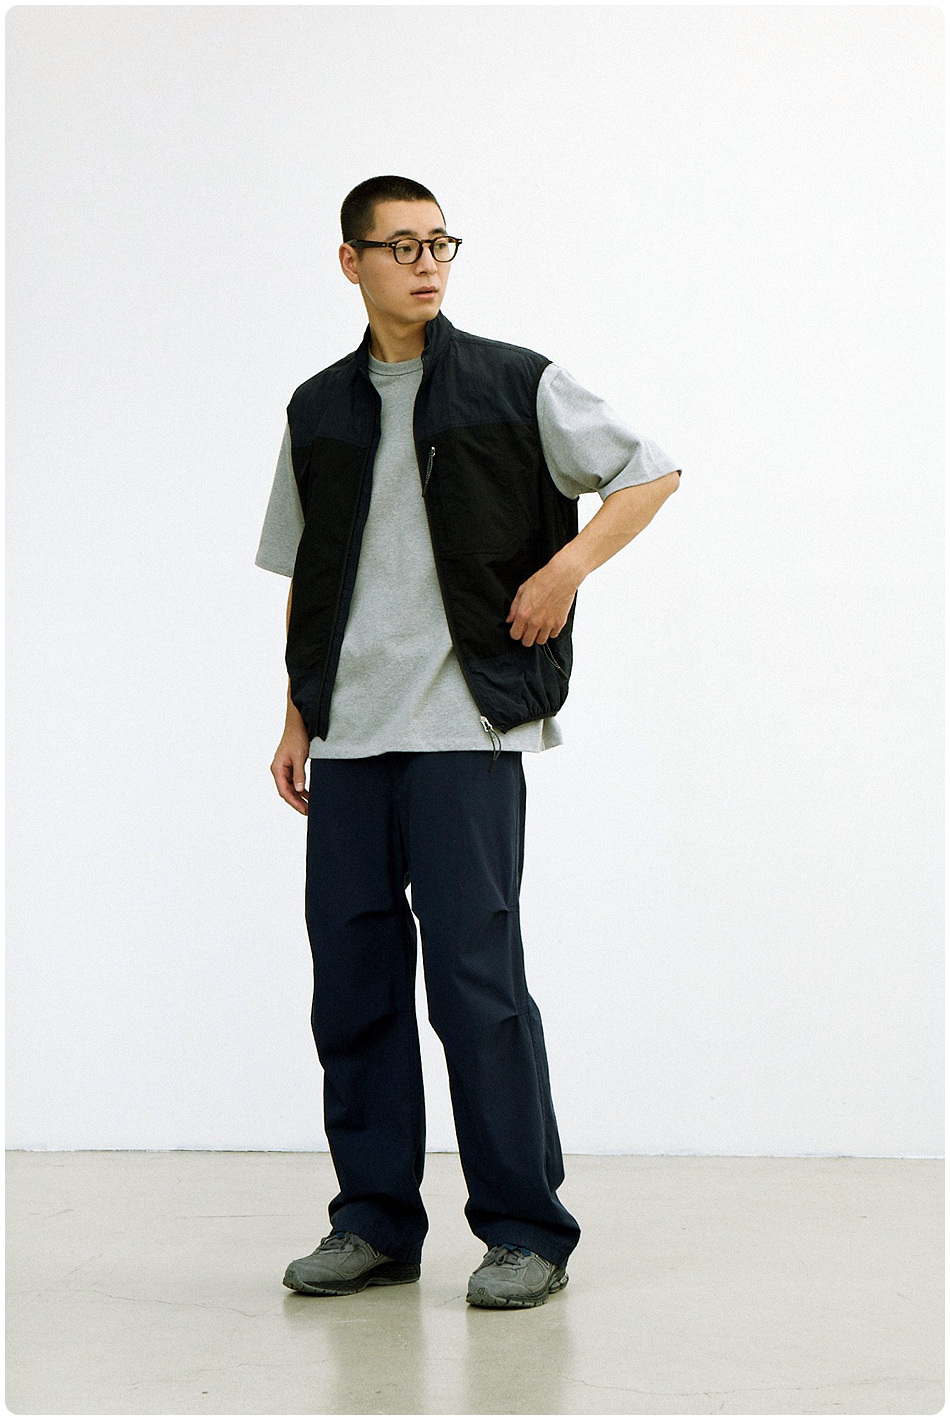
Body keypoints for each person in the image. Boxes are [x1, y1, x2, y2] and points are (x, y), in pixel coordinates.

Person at [254, 175, 681, 1310]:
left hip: (465, 730)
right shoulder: (317, 408)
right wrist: (297, 714)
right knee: (352, 987)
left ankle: (526, 1231)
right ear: (351, 261)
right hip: (349, 739)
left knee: (475, 985)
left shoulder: (511, 381)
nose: (426, 263)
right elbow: (308, 572)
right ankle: (373, 1222)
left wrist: (563, 571)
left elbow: (649, 470)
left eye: (439, 242)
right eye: (400, 246)